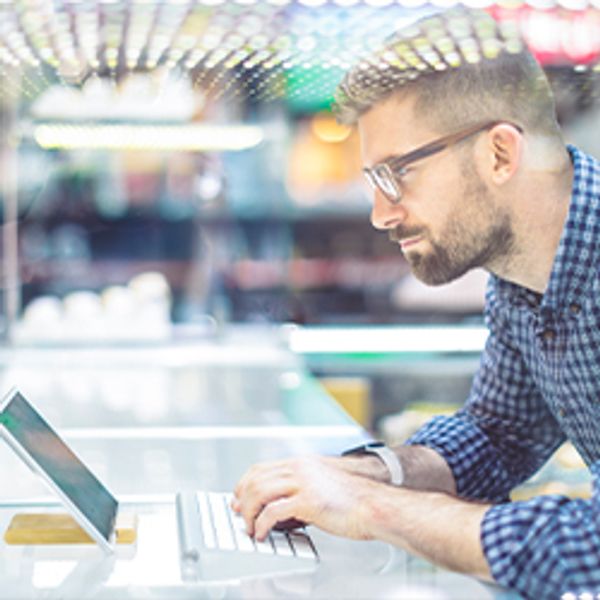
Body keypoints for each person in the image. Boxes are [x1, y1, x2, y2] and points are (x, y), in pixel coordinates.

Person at [232, 7, 600, 599]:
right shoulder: (521, 271)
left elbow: (588, 552)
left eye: (395, 175)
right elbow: (499, 435)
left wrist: (374, 506)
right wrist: (367, 471)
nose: (380, 214)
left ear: (500, 155)